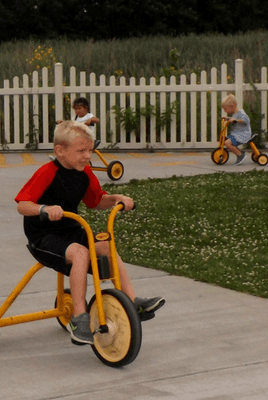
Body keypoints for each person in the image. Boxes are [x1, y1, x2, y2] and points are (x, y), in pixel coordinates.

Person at [15, 120, 164, 345]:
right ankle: (79, 317)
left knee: (106, 246)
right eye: (81, 151)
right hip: (43, 235)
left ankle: (133, 302)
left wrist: (117, 199)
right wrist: (44, 209)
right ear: (60, 151)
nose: (87, 156)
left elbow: (96, 201)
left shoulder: (84, 173)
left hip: (71, 228)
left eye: (90, 150)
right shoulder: (47, 173)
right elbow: (22, 205)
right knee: (81, 254)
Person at [221, 94, 253, 165]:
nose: (225, 111)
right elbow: (234, 119)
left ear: (232, 106)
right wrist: (228, 118)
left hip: (243, 134)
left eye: (225, 109)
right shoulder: (235, 114)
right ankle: (240, 152)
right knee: (226, 141)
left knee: (227, 143)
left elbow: (246, 120)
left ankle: (240, 154)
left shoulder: (241, 113)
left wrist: (235, 120)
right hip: (237, 133)